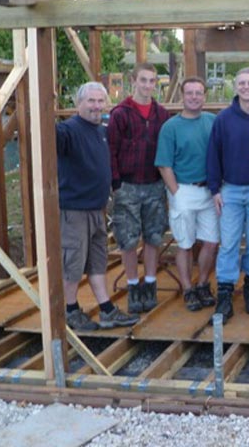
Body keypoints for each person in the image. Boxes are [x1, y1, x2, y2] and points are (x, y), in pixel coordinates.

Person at [57, 82, 139, 331]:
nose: (96, 106)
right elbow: (47, 134)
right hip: (74, 211)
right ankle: (70, 311)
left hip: (96, 209)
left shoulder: (101, 130)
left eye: (100, 101)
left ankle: (106, 310)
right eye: (90, 101)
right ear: (78, 104)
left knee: (96, 262)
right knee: (72, 263)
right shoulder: (68, 131)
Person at [206, 67, 249, 323]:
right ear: (236, 87)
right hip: (230, 189)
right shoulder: (223, 119)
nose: (245, 87)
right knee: (229, 243)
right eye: (241, 83)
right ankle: (225, 294)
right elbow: (213, 155)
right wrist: (214, 189)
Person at [107, 63, 171, 314]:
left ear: (156, 84)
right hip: (128, 186)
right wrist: (116, 183)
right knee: (128, 239)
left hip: (154, 184)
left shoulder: (162, 115)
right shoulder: (120, 113)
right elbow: (110, 150)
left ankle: (151, 284)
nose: (147, 85)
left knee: (154, 237)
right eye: (143, 80)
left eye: (152, 81)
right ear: (133, 81)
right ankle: (134, 287)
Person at [155, 77, 219, 312]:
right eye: (190, 93)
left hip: (209, 191)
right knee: (184, 243)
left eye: (199, 93)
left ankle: (202, 283)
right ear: (183, 96)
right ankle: (187, 288)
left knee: (211, 242)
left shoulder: (213, 122)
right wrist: (176, 192)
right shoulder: (171, 127)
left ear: (204, 96)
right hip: (183, 189)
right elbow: (164, 164)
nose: (194, 97)